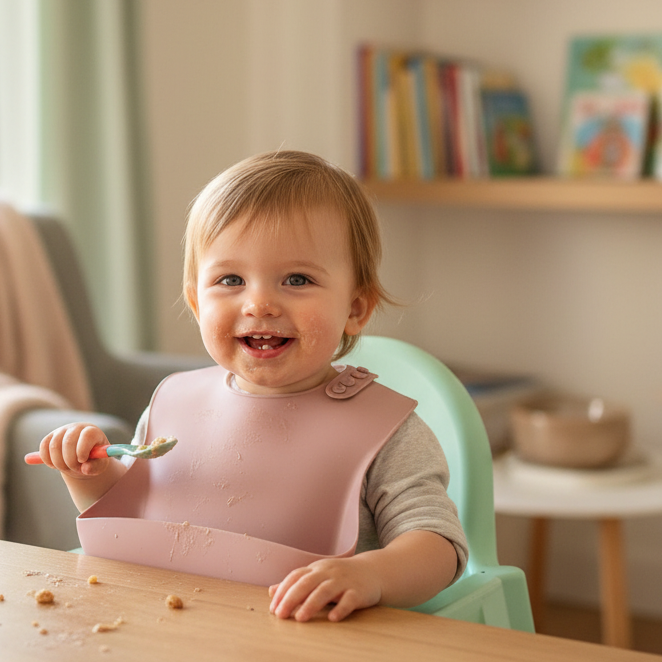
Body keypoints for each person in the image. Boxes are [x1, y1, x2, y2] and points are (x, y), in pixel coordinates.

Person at [35, 150, 467, 622]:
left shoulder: (387, 430)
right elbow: (140, 518)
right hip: (177, 632)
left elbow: (439, 547)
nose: (259, 303)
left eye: (297, 279)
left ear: (355, 309)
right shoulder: (174, 405)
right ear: (197, 303)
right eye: (231, 279)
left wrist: (371, 575)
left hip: (316, 644)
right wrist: (88, 473)